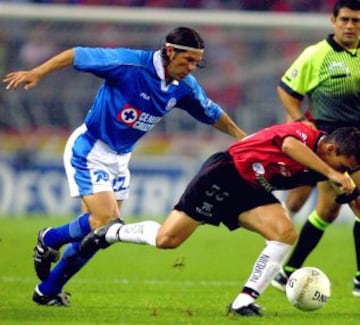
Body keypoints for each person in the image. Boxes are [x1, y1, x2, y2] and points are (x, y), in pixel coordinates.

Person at [2, 26, 246, 306]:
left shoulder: (183, 87)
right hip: (91, 148)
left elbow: (212, 112)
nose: (191, 68)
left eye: (196, 62)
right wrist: (38, 72)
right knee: (108, 223)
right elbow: (77, 54)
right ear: (169, 51)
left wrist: (242, 137)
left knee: (98, 234)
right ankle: (51, 239)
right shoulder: (129, 63)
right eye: (187, 60)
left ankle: (47, 290)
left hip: (121, 158)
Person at [80, 122, 360, 317]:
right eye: (344, 166)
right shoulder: (303, 135)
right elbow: (288, 146)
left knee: (284, 231)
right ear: (332, 150)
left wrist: (347, 189)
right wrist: (334, 175)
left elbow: (351, 196)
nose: (343, 172)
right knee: (166, 240)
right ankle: (112, 232)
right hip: (225, 173)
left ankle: (244, 301)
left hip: (252, 189)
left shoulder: (332, 168)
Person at [270, 0, 360, 296]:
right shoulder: (315, 55)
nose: (350, 26)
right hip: (334, 145)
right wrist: (299, 121)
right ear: (333, 20)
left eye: (356, 21)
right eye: (345, 19)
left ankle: (288, 271)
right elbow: (286, 90)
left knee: (327, 212)